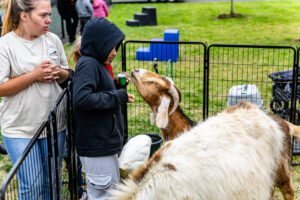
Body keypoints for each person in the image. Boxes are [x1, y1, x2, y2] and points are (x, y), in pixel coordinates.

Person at [0, 0, 71, 199]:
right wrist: (34, 76)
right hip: (20, 128)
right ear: (24, 16)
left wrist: (60, 73)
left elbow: (68, 73)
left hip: (54, 125)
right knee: (31, 185)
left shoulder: (53, 40)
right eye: (43, 15)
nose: (49, 20)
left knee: (52, 182)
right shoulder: (5, 46)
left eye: (49, 14)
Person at [73, 18, 135, 199]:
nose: (115, 52)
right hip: (96, 146)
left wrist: (115, 84)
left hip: (103, 143)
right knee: (103, 195)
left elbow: (96, 91)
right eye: (111, 47)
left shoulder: (97, 64)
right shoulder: (88, 65)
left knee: (110, 192)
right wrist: (119, 96)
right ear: (99, 44)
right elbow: (82, 99)